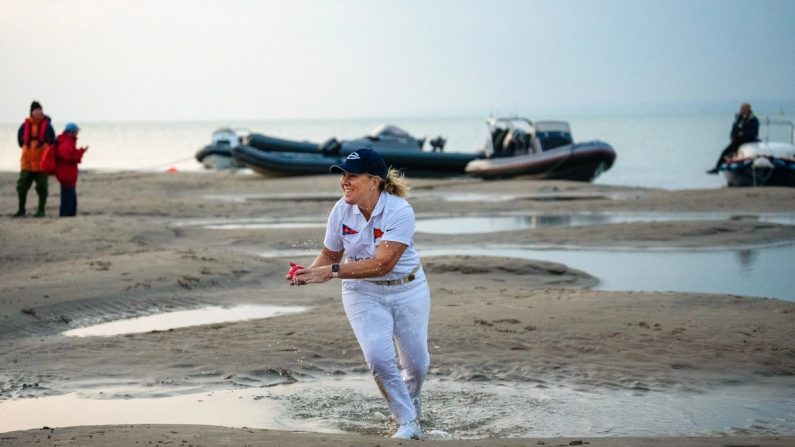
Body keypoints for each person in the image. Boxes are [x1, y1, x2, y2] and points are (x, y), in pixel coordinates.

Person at [288, 149, 430, 440]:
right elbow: (330, 254)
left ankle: (411, 405)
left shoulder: (400, 211)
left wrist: (331, 271)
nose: (344, 181)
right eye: (343, 175)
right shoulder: (341, 210)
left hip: (408, 288)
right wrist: (309, 273)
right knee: (378, 358)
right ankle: (407, 422)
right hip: (360, 291)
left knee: (416, 365)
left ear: (374, 181)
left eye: (352, 175)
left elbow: (383, 264)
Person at [15, 101, 55, 217]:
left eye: (39, 110)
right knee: (21, 187)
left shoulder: (48, 126)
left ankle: (41, 210)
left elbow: (53, 142)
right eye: (36, 110)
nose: (38, 112)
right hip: (27, 163)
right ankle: (21, 209)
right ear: (31, 112)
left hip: (42, 164)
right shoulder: (24, 126)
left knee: (42, 188)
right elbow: (20, 142)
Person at [707, 102, 759, 174]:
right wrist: (732, 136)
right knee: (724, 151)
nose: (741, 110)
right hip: (737, 140)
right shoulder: (739, 118)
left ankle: (732, 155)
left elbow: (753, 131)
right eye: (741, 108)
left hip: (748, 138)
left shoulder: (753, 119)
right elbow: (734, 129)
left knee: (735, 144)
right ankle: (717, 168)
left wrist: (743, 133)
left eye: (743, 108)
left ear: (748, 109)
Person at [54, 123, 88, 217]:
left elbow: (70, 155)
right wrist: (80, 153)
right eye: (76, 132)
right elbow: (68, 157)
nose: (77, 134)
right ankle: (66, 215)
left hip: (67, 173)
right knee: (68, 196)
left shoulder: (67, 141)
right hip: (66, 173)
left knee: (70, 196)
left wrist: (80, 152)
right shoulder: (66, 142)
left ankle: (69, 214)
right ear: (72, 132)